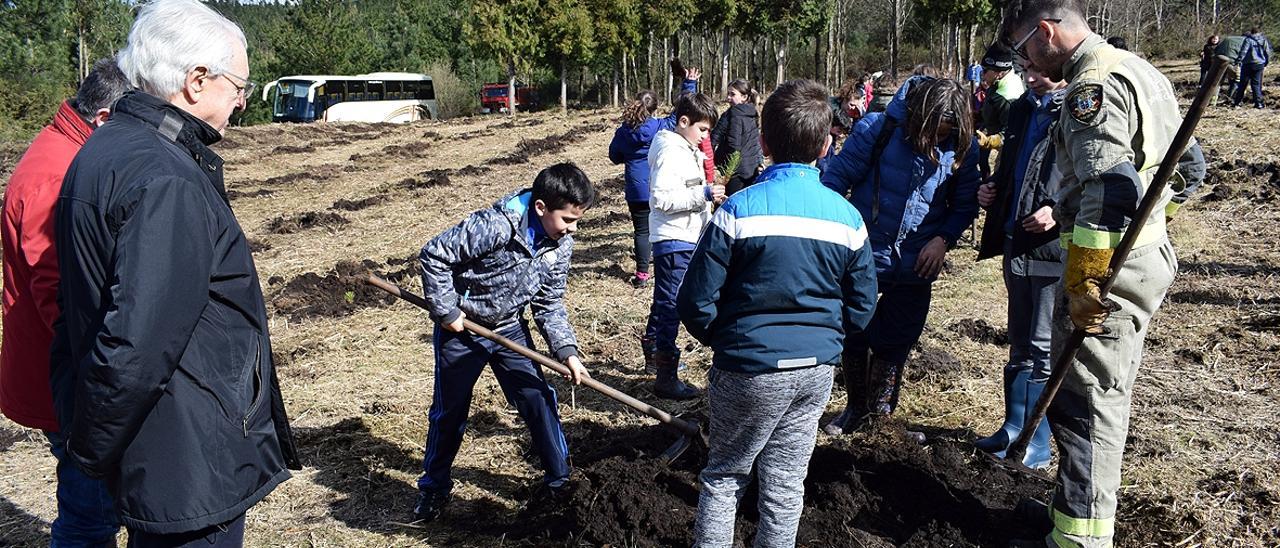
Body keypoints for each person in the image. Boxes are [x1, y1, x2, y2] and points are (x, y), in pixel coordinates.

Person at [52, 0, 300, 544]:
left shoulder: (102, 151)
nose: (241, 102)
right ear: (195, 80)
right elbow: (136, 343)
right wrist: (90, 451)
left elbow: (71, 317)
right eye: (240, 86)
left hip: (157, 448)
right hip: (186, 460)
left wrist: (82, 430)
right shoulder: (169, 179)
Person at [1000, 2, 1205, 545]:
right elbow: (1189, 168)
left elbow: (1110, 191)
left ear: (1046, 31)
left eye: (1023, 50)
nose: (1026, 62)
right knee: (1093, 393)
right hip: (1141, 257)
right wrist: (1156, 227)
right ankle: (1070, 509)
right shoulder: (1142, 70)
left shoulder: (1091, 88)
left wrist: (1087, 279)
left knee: (1088, 405)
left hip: (1108, 272)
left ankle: (1080, 537)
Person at [678, 78, 878, 548]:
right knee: (786, 483)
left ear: (763, 142)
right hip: (815, 370)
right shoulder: (847, 218)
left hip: (749, 368)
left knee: (725, 476)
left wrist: (724, 339)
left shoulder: (738, 211)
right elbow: (864, 304)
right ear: (827, 143)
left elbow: (695, 299)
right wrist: (829, 339)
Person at [414, 162, 595, 522]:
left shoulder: (560, 246)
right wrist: (447, 311)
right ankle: (433, 489)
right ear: (541, 208)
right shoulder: (497, 225)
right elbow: (434, 254)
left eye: (577, 221)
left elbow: (548, 303)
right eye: (567, 220)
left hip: (509, 329)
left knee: (538, 398)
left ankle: (560, 482)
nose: (572, 229)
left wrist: (567, 351)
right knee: (449, 412)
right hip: (463, 330)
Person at [1, 58, 129, 548]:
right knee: (89, 512)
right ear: (101, 119)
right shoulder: (55, 180)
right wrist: (110, 369)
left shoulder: (62, 149)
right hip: (65, 383)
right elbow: (61, 299)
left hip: (61, 373)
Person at [819, 76, 980, 437]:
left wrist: (943, 238)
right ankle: (855, 408)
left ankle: (881, 417)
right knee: (855, 330)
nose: (941, 140)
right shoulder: (877, 129)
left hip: (917, 260)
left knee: (897, 338)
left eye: (947, 134)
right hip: (865, 254)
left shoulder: (964, 147)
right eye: (935, 132)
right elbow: (836, 180)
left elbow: (965, 204)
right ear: (918, 118)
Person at [972, 67, 1069, 470]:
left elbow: (1090, 178)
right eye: (1026, 68)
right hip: (1016, 240)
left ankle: (1038, 441)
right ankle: (1013, 426)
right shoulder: (1021, 111)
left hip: (1052, 247)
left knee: (1044, 346)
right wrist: (992, 188)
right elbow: (1014, 168)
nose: (1031, 76)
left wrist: (1060, 212)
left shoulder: (1075, 113)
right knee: (1020, 339)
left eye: (1038, 68)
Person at [643, 92, 723, 400]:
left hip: (686, 236)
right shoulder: (670, 151)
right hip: (674, 238)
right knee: (671, 304)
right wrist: (702, 195)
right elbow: (661, 199)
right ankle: (665, 374)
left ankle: (654, 350)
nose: (705, 137)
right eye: (702, 129)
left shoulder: (686, 149)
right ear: (684, 121)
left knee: (666, 300)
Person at [609, 72, 701, 288]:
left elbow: (614, 156)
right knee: (661, 227)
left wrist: (629, 155)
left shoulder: (623, 131)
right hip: (660, 186)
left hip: (635, 188)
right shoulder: (661, 126)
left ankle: (641, 275)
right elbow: (683, 110)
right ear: (655, 109)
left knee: (641, 231)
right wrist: (689, 83)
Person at [977, 43, 1027, 176]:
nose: (982, 74)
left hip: (1000, 153)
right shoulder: (998, 82)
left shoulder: (1007, 96)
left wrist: (990, 141)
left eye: (986, 70)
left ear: (998, 73)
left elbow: (1013, 131)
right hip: (988, 131)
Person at [710, 79, 763, 196]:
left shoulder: (731, 115)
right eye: (728, 94)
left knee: (729, 205)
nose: (728, 97)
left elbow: (714, 140)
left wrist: (710, 164)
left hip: (734, 171)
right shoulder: (753, 113)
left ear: (744, 97)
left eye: (732, 94)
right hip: (750, 170)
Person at [1231, 27, 1272, 109]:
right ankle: (1258, 104)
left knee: (1243, 84)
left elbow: (1243, 51)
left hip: (1248, 64)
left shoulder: (1248, 40)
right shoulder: (1263, 40)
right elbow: (1267, 52)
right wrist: (1266, 62)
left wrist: (1238, 61)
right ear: (1259, 32)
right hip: (1259, 64)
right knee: (1256, 84)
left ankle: (1237, 103)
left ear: (1251, 32)